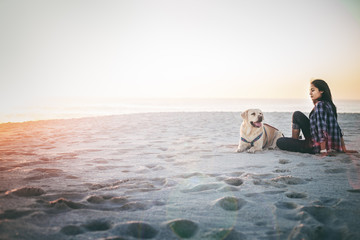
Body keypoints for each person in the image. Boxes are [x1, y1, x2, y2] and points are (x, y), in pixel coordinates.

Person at [276, 79, 351, 156]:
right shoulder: (330, 105)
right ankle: (295, 140)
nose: (310, 93)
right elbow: (338, 129)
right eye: (310, 91)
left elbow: (322, 128)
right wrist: (343, 149)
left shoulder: (320, 105)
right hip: (318, 140)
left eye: (313, 90)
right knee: (297, 114)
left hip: (315, 146)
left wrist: (323, 150)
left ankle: (295, 141)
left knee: (280, 141)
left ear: (321, 91)